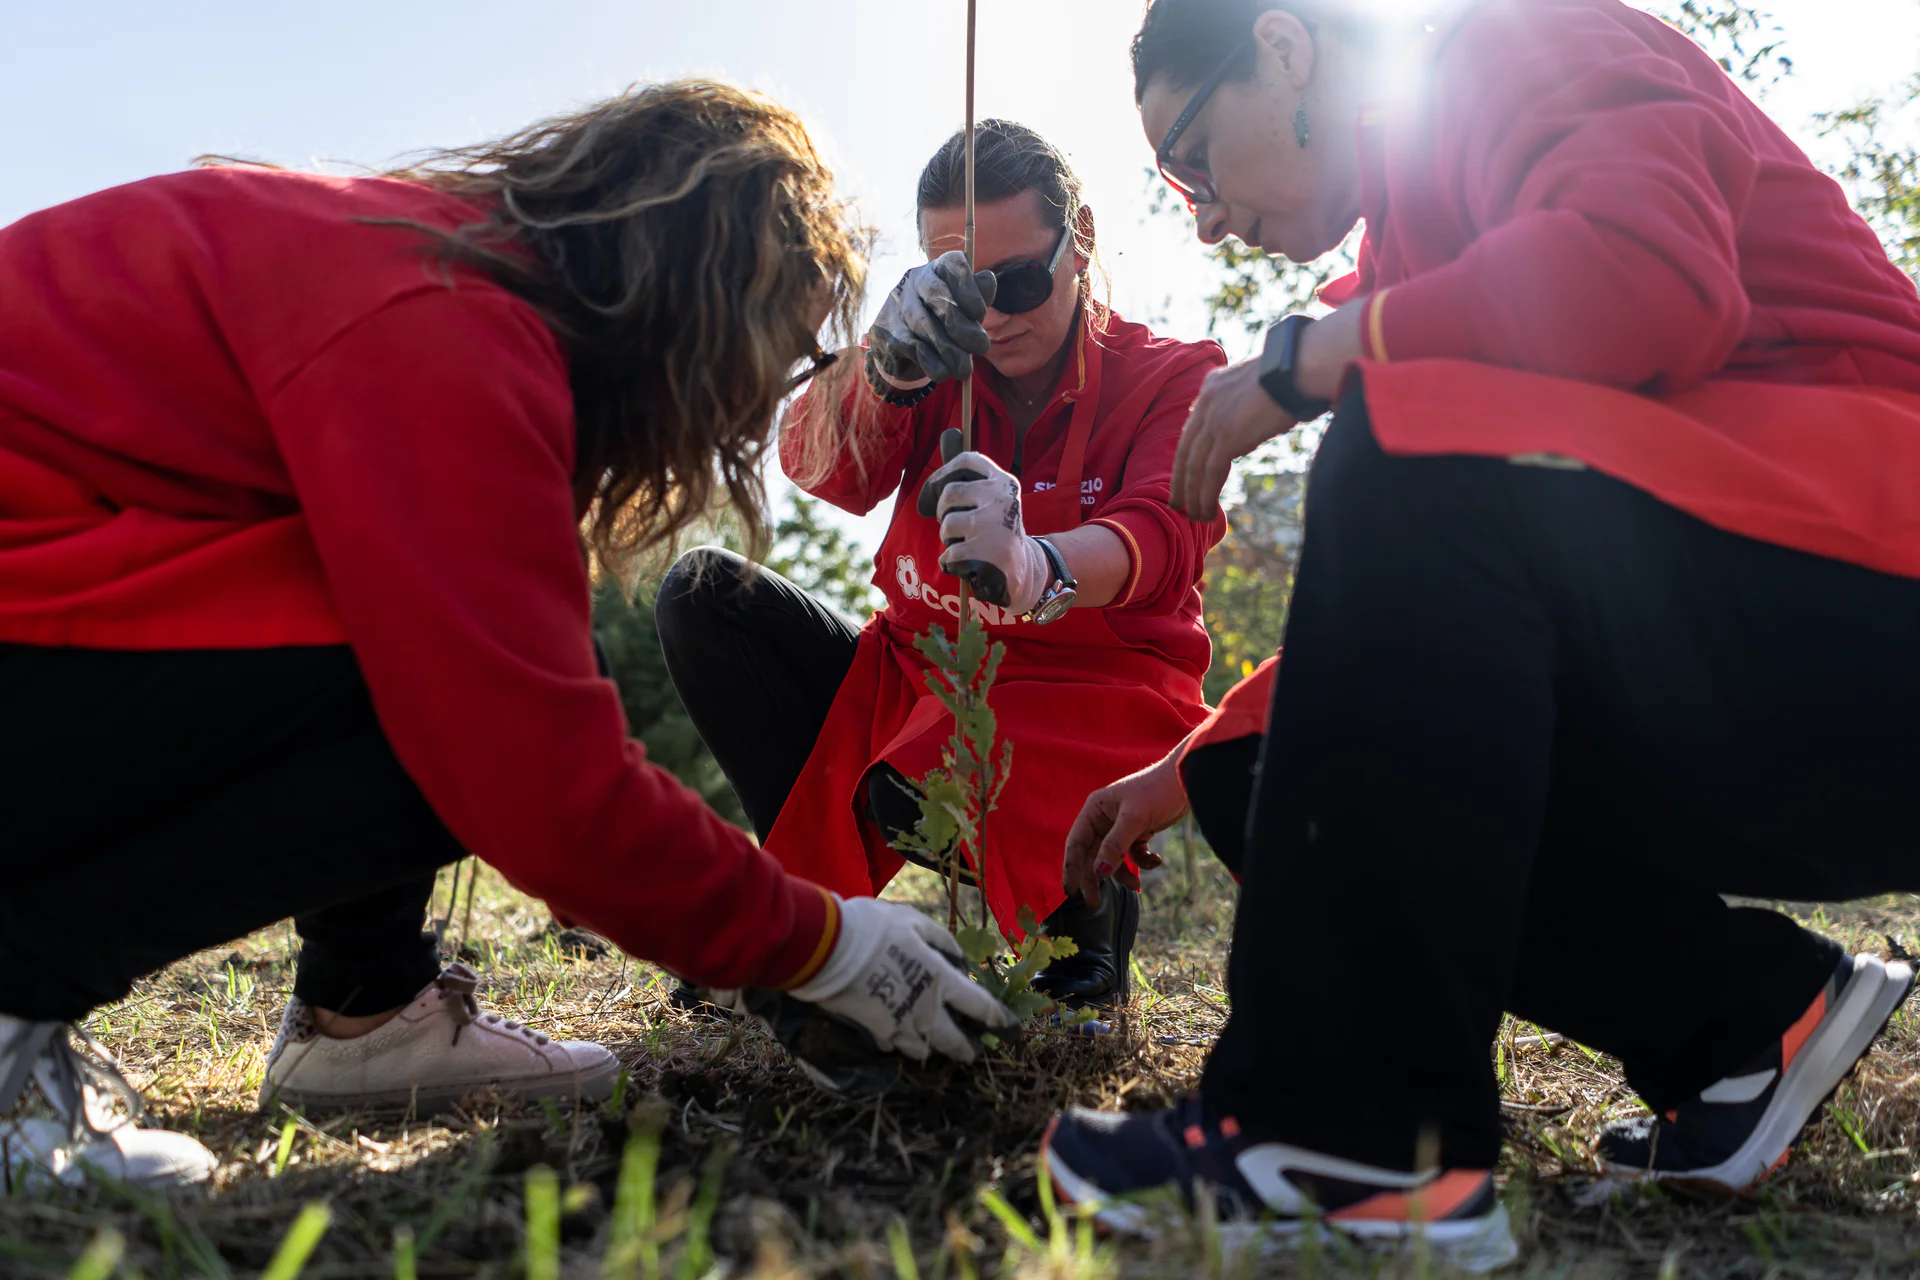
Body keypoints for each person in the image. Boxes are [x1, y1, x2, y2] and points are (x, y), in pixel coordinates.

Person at [0, 81, 1014, 1192]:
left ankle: (367, 1012)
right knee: (443, 690)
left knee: (428, 633)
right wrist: (820, 944)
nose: (754, 400)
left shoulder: (424, 271)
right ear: (702, 297)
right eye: (780, 349)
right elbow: (534, 773)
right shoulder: (436, 327)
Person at [1039, 0, 1920, 1268]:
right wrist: (1186, 764)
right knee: (1259, 775)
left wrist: (1313, 359)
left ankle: (1347, 1136)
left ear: (1282, 48)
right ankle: (1747, 1022)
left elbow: (1654, 274)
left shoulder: (1523, 44)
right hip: (1756, 655)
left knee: (1403, 423)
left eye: (1191, 158)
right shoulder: (1413, 247)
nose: (1207, 214)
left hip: (1873, 607)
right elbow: (1438, 634)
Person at [656, 121, 1227, 1007]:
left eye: (1019, 282)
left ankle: (1082, 922)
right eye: (965, 287)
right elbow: (820, 469)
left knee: (960, 751)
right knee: (705, 595)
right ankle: (805, 897)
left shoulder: (1173, 376)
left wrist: (1041, 565)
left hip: (1089, 702)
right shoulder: (931, 365)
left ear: (1081, 241)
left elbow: (1164, 533)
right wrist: (884, 372)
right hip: (917, 674)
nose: (993, 317)